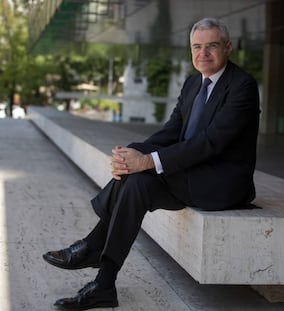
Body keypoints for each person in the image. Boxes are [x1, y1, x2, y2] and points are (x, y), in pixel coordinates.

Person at [43, 17, 260, 310]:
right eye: (197, 47)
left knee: (142, 171)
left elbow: (211, 143)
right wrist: (131, 155)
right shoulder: (193, 82)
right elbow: (172, 131)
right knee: (137, 180)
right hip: (189, 173)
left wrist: (147, 160)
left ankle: (93, 247)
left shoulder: (242, 86)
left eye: (211, 46)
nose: (203, 53)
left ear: (228, 47)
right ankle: (104, 285)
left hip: (220, 183)